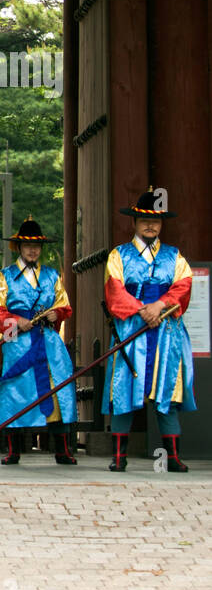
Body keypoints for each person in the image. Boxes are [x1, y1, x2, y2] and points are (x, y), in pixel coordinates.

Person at [104, 188, 197, 472]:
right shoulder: (118, 255)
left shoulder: (174, 256)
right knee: (124, 388)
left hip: (166, 329)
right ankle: (119, 457)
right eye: (144, 219)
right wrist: (143, 310)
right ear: (133, 222)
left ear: (161, 224)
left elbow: (184, 286)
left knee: (166, 390)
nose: (150, 225)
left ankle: (172, 457)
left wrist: (159, 305)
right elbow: (114, 289)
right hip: (131, 328)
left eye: (155, 220)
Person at [0, 219, 77, 466]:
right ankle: (13, 450)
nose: (32, 250)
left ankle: (62, 449)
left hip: (48, 342)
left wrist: (57, 314)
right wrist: (16, 321)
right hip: (19, 342)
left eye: (36, 245)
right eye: (27, 245)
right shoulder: (6, 276)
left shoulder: (52, 275)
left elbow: (64, 305)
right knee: (16, 391)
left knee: (57, 389)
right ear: (18, 247)